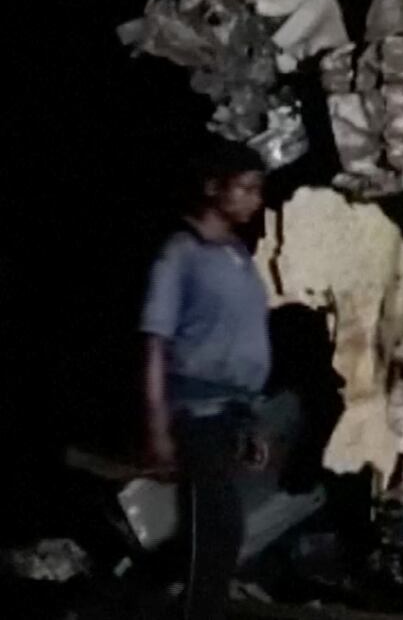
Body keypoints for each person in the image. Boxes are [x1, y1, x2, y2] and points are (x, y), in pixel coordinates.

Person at [140, 138, 271, 619]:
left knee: (224, 528)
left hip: (232, 408)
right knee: (215, 527)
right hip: (196, 410)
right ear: (214, 187)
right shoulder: (181, 253)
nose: (255, 200)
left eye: (259, 190)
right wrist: (157, 427)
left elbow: (244, 338)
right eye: (246, 189)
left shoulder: (236, 254)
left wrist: (252, 420)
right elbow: (155, 342)